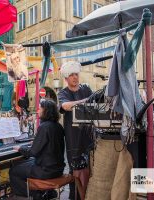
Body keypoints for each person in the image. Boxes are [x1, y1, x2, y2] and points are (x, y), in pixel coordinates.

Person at [9, 99, 65, 198]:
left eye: (40, 108)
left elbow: (33, 152)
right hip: (58, 169)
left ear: (46, 111)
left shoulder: (44, 127)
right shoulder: (58, 126)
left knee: (14, 170)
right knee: (23, 163)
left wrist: (20, 148)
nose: (38, 111)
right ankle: (47, 191)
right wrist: (35, 142)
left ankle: (38, 194)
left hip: (46, 170)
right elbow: (50, 144)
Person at [57, 61, 93, 200]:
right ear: (66, 78)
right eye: (71, 75)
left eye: (76, 74)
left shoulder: (86, 88)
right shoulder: (63, 93)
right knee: (75, 173)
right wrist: (85, 101)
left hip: (89, 138)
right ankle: (74, 197)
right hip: (73, 140)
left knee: (90, 172)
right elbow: (65, 106)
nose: (75, 77)